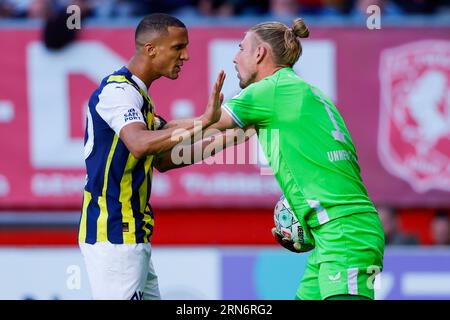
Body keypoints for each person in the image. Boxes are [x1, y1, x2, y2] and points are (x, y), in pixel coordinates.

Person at [158, 18, 385, 300]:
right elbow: (214, 143)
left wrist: (145, 129)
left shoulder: (271, 91)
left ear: (260, 53)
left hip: (345, 233)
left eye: (241, 48)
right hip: (333, 233)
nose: (234, 57)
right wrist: (164, 159)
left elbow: (206, 124)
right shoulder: (298, 92)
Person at [78, 13, 225, 300]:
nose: (186, 56)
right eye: (178, 47)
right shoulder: (118, 92)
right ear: (151, 49)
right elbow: (140, 144)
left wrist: (229, 137)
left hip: (133, 233)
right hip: (115, 235)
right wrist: (204, 121)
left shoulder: (138, 95)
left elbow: (164, 159)